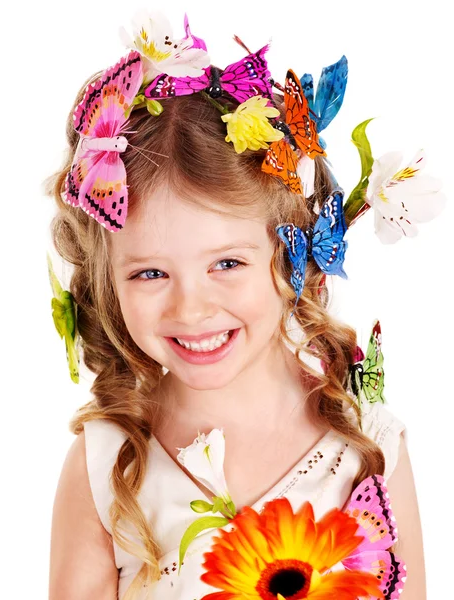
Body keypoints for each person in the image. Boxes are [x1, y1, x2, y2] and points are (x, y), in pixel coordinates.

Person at [47, 10, 426, 600]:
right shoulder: (108, 466)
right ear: (107, 280)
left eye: (227, 264)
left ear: (292, 252)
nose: (191, 308)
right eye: (150, 272)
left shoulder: (365, 446)